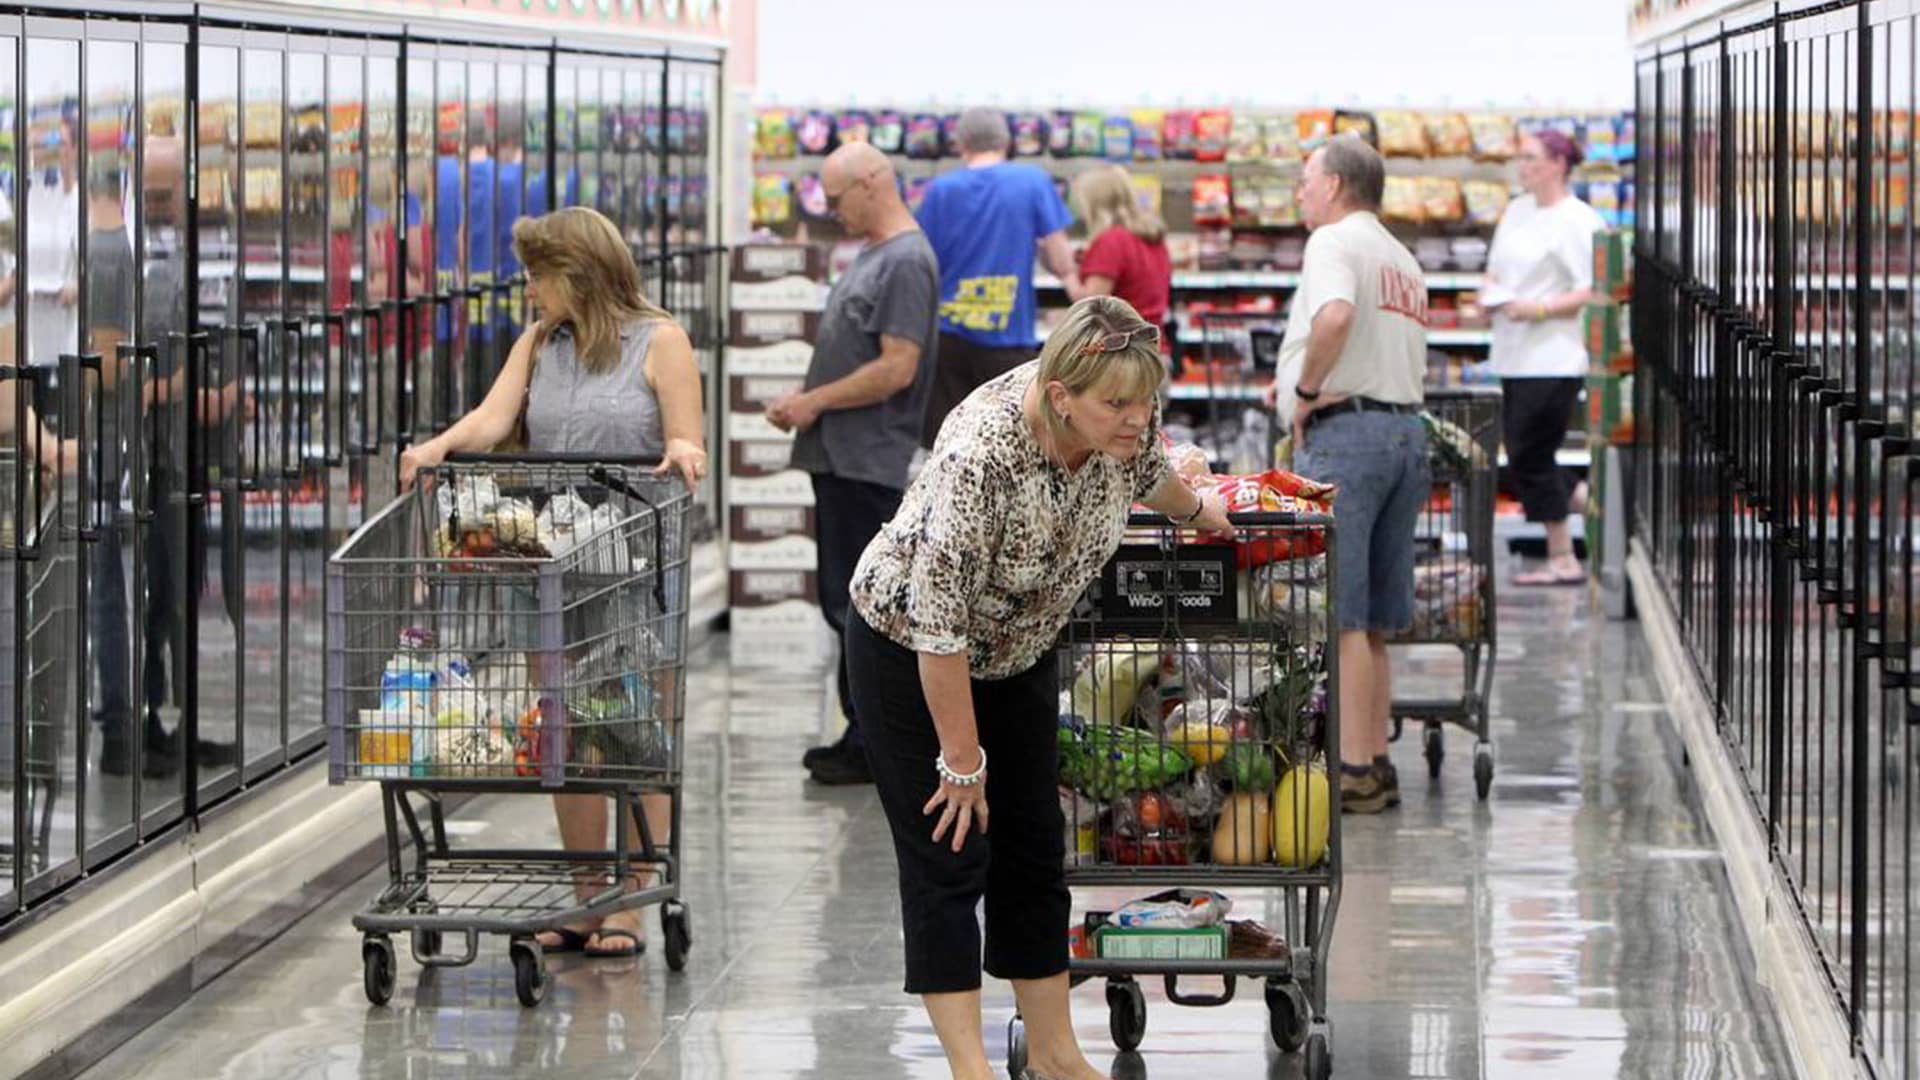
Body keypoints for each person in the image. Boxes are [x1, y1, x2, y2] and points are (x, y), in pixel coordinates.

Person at [845, 296, 1233, 1080]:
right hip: (910, 651)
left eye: (1144, 402)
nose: (1136, 418)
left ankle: (1057, 1055)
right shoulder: (982, 455)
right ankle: (971, 1069)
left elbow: (1152, 473)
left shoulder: (1123, 422)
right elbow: (938, 625)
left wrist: (1200, 511)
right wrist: (962, 761)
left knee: (1032, 849)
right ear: (1061, 397)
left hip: (1019, 652)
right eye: (1117, 406)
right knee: (949, 850)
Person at [399, 206, 707, 957]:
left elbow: (686, 436)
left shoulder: (660, 341)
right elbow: (492, 418)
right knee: (563, 731)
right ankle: (586, 896)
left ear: (579, 273)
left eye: (538, 276)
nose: (530, 291)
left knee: (633, 731)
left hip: (634, 570)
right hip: (551, 564)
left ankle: (632, 899)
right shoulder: (538, 343)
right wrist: (437, 448)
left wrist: (683, 452)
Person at [767, 142, 940, 787]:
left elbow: (898, 367)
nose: (831, 210)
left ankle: (873, 741)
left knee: (864, 607)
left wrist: (814, 402)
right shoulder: (878, 255)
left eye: (837, 198)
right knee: (848, 603)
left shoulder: (905, 262)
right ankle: (863, 733)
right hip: (845, 458)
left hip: (868, 460)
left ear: (872, 182)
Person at [1281, 136, 1430, 816]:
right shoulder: (1401, 256)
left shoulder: (1333, 242)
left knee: (1341, 616)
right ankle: (1376, 764)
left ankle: (1349, 769)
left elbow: (1335, 315)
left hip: (1349, 437)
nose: (1300, 192)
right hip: (1404, 433)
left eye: (1306, 179)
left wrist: (1304, 391)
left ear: (1336, 184)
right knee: (1371, 624)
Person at [916, 107, 1080, 449]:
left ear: (962, 144)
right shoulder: (1032, 182)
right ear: (1007, 141)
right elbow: (1060, 259)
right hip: (1008, 338)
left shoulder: (940, 190)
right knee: (1013, 445)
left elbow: (922, 262)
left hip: (949, 338)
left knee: (950, 444)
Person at [1485, 129, 1604, 586]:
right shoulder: (1517, 211)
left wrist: (1538, 308)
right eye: (1521, 157)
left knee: (1530, 456)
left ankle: (1563, 557)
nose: (1523, 165)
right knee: (1525, 454)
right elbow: (1496, 270)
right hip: (1513, 354)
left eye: (1532, 157)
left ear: (1558, 163)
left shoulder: (1579, 221)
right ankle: (1599, 509)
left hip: (1554, 355)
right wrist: (1491, 294)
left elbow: (1593, 288)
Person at [1066, 165, 1172, 333]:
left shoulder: (1110, 241)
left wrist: (1067, 274)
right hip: (1150, 340)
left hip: (1120, 343)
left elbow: (1092, 308)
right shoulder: (1151, 235)